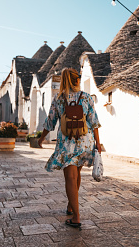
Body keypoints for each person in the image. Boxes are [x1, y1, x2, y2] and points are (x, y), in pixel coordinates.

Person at [38, 68, 101, 229]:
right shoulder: (86, 97)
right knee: (77, 173)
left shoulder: (59, 99)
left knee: (70, 178)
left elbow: (50, 122)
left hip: (67, 143)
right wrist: (98, 143)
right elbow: (94, 122)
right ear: (77, 81)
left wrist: (41, 138)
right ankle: (71, 206)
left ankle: (76, 217)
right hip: (85, 142)